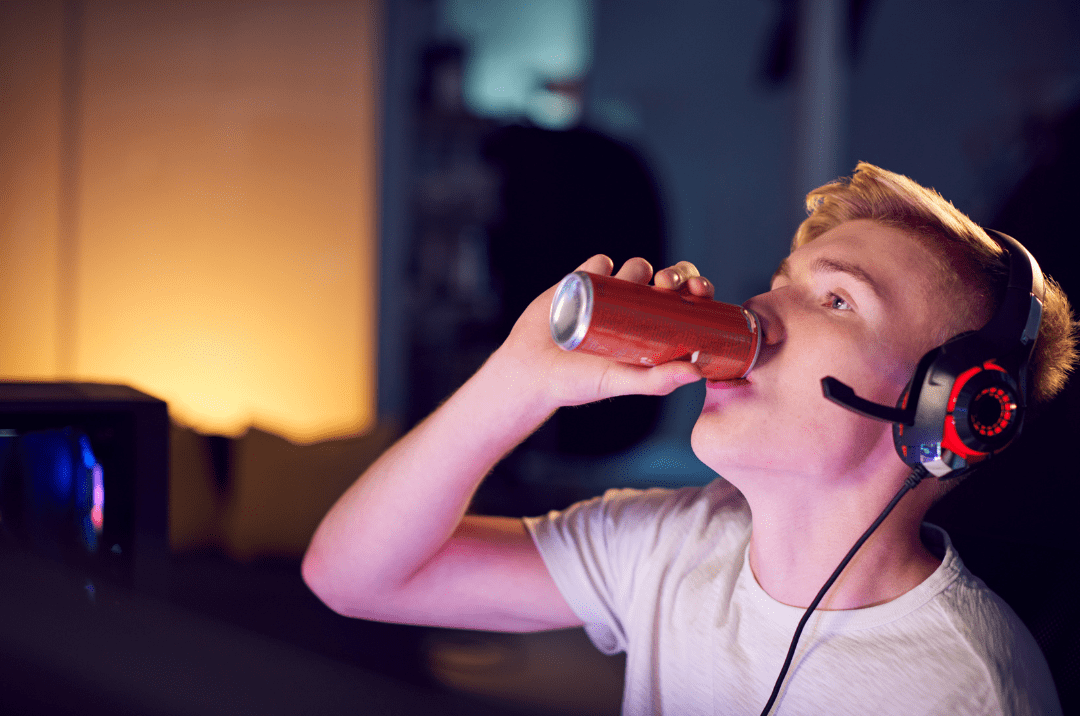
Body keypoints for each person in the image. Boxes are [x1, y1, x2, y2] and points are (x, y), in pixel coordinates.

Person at [302, 163, 1076, 714]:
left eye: (837, 300)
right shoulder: (674, 545)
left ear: (943, 408)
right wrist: (518, 377)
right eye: (781, 280)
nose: (760, 310)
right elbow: (353, 577)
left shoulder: (966, 691)